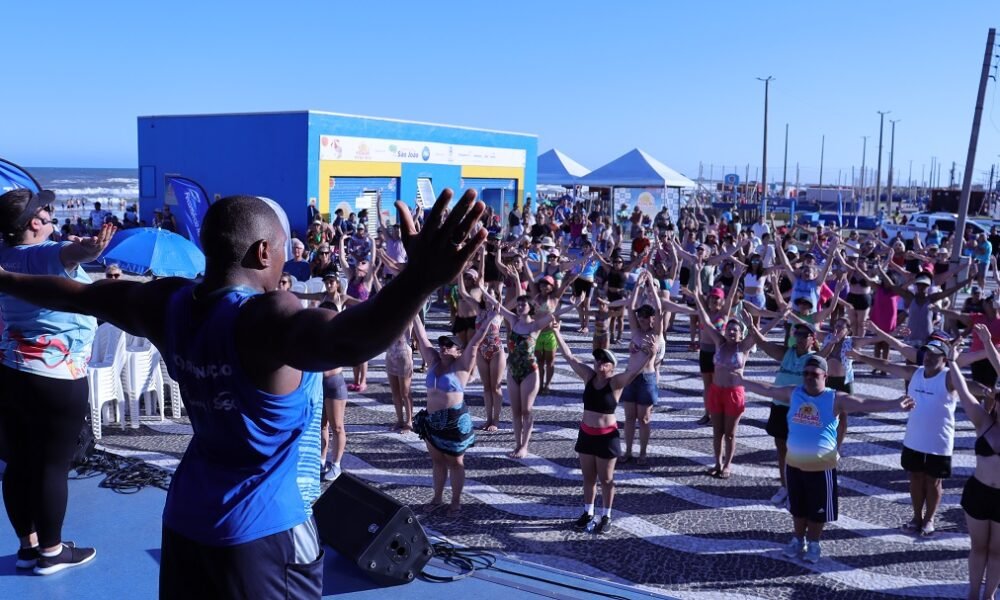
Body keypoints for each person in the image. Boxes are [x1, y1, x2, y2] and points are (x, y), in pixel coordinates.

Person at [0, 189, 487, 596]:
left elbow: (73, 295)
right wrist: (421, 278)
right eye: (282, 253)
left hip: (187, 518)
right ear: (261, 253)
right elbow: (349, 339)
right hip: (265, 534)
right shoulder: (265, 319)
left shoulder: (165, 304)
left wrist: (2, 278)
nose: (286, 268)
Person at [0, 189, 113, 574]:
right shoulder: (39, 254)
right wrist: (92, 250)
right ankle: (52, 551)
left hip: (11, 370)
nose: (51, 215)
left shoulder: (5, 255)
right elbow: (71, 256)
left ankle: (28, 547)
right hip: (54, 376)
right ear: (35, 222)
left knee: (17, 462)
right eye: (46, 212)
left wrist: (75, 249)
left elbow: (65, 254)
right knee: (51, 465)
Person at [738, 356, 914, 563]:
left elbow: (864, 403)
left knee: (818, 511)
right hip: (794, 465)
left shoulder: (835, 398)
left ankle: (813, 543)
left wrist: (894, 403)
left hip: (821, 468)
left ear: (825, 376)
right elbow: (767, 389)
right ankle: (797, 539)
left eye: (814, 374)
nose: (809, 378)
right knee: (797, 508)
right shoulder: (794, 393)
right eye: (806, 374)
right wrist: (740, 380)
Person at [552, 327, 650, 534]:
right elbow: (569, 357)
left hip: (606, 438)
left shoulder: (615, 383)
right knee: (588, 478)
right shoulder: (588, 377)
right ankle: (588, 512)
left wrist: (648, 353)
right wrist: (556, 333)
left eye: (604, 362)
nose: (599, 364)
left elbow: (633, 372)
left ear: (612, 367)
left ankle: (606, 515)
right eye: (597, 360)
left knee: (606, 479)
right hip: (586, 435)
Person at [411, 309, 494, 517]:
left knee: (456, 462)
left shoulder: (462, 366)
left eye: (449, 345)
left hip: (454, 421)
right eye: (442, 344)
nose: (443, 348)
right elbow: (421, 336)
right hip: (431, 421)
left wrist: (488, 321)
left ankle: (455, 502)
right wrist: (411, 310)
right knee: (437, 460)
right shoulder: (433, 361)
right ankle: (437, 498)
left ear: (459, 351)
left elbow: (475, 343)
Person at [484, 291, 578, 458]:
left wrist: (575, 305)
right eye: (518, 304)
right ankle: (517, 444)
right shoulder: (513, 320)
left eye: (523, 304)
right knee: (515, 410)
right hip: (513, 371)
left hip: (529, 371)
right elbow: (497, 304)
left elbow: (554, 314)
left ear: (530, 307)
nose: (520, 307)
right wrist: (483, 289)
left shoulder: (535, 326)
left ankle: (524, 446)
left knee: (526, 410)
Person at [948, 328, 1000, 600]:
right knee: (978, 547)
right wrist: (952, 361)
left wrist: (990, 344)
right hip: (979, 492)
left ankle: (989, 596)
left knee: (997, 552)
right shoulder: (983, 421)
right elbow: (964, 392)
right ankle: (971, 594)